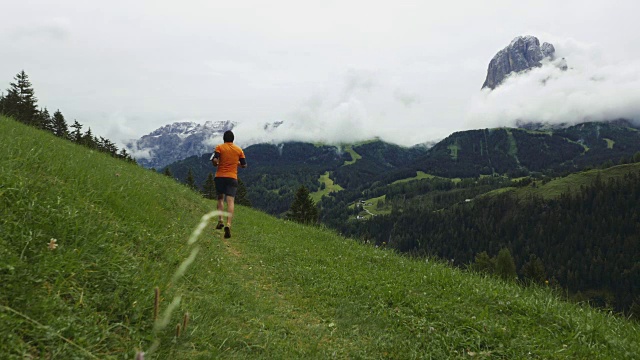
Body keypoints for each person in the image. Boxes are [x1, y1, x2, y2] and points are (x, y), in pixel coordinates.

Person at [210, 130, 247, 238]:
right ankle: (228, 224)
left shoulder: (219, 147)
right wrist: (236, 163)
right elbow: (244, 165)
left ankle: (220, 220)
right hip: (232, 177)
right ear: (233, 139)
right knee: (230, 201)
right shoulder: (239, 150)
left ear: (224, 139)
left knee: (220, 199)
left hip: (220, 176)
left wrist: (216, 162)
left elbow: (215, 160)